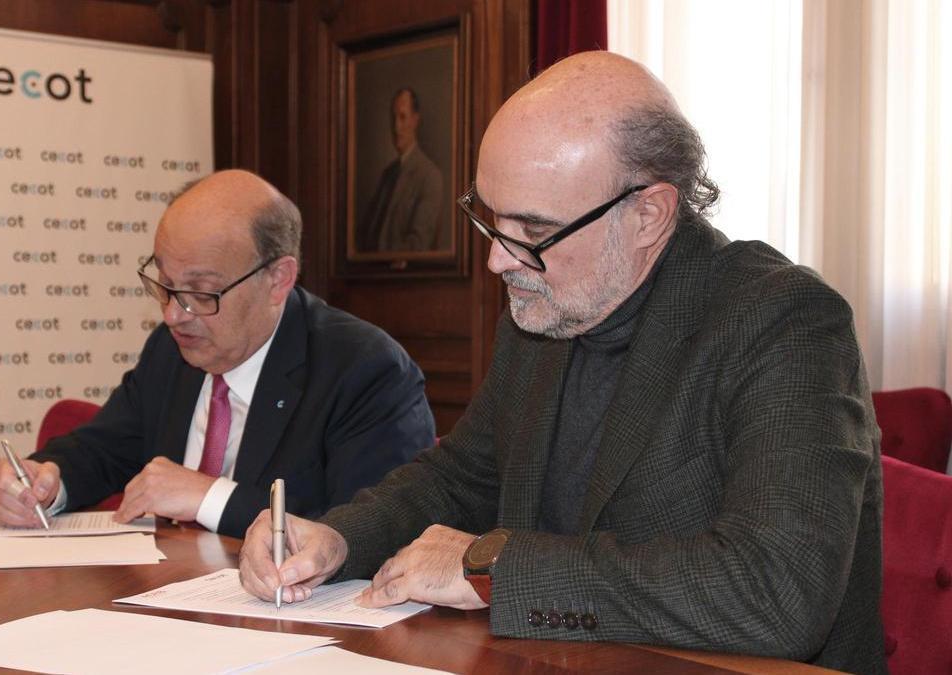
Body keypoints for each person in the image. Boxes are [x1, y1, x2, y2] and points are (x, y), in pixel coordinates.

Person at [240, 52, 884, 673]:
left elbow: (776, 591)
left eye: (534, 232)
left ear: (648, 215)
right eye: (490, 219)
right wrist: (340, 537)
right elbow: (465, 478)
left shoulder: (782, 320)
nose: (499, 260)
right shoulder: (547, 305)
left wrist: (490, 567)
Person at [0, 169, 436, 538]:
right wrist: (47, 481)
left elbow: (378, 529)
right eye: (163, 284)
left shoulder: (364, 370)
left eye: (201, 293)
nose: (173, 315)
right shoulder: (171, 350)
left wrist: (209, 497)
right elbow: (105, 448)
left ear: (278, 279)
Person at [357, 88, 443, 253]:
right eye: (393, 118)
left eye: (402, 117)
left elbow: (418, 244)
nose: (396, 127)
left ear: (415, 120)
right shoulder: (388, 175)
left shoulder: (430, 176)